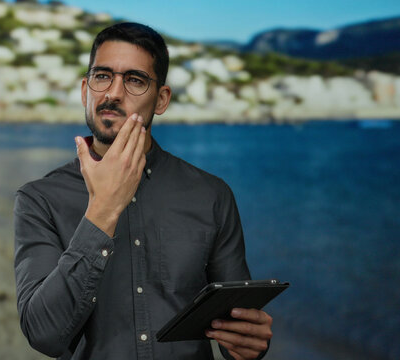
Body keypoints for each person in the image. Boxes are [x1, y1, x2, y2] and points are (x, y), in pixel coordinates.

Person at [14, 22, 273, 360]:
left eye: (134, 80)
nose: (113, 93)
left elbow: (234, 328)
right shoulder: (38, 200)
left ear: (162, 99)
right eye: (102, 76)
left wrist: (249, 343)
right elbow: (42, 335)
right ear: (84, 91)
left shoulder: (212, 195)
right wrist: (103, 210)